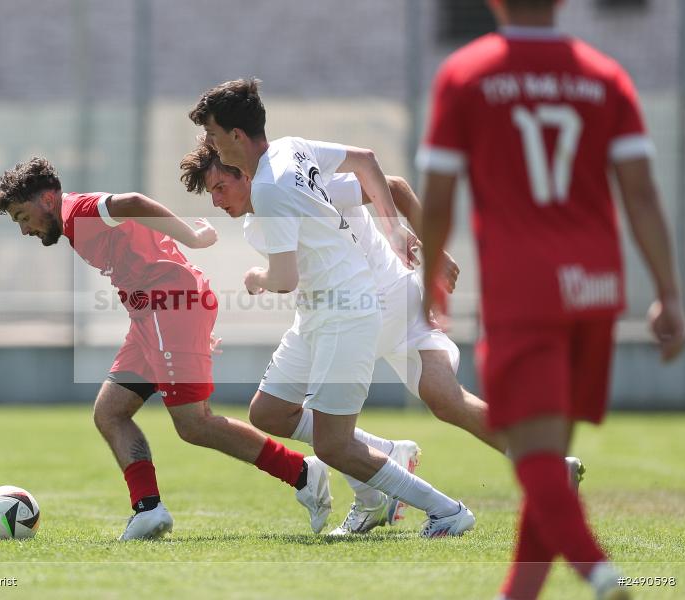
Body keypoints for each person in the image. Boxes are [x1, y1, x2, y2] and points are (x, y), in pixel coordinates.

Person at [417, 1, 685, 598]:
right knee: (549, 456)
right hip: (595, 289)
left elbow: (437, 199)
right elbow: (641, 193)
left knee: (534, 459)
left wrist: (431, 275)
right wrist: (669, 292)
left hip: (525, 289)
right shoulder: (604, 75)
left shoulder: (467, 74)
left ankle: (601, 573)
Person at [180, 142, 586, 535]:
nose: (216, 200)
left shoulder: (289, 186)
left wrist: (432, 251)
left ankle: (408, 498)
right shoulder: (261, 215)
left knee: (347, 433)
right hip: (358, 307)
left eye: (221, 186)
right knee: (274, 413)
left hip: (372, 305)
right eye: (210, 191)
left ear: (246, 174)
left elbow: (391, 187)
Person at [0, 156, 334, 541]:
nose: (24, 230)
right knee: (110, 412)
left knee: (194, 423)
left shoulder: (80, 211)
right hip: (153, 319)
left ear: (48, 200)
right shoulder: (72, 222)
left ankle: (303, 472)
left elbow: (133, 201)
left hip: (168, 309)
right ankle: (148, 509)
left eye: (23, 216)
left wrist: (194, 237)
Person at [188, 78, 475, 537]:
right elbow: (366, 160)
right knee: (269, 412)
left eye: (216, 137)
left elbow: (283, 279)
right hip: (319, 313)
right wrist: (394, 230)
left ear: (237, 138)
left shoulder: (270, 190)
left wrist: (254, 279)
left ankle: (446, 511)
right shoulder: (291, 150)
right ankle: (386, 459)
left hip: (347, 308)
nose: (214, 145)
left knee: (333, 445)